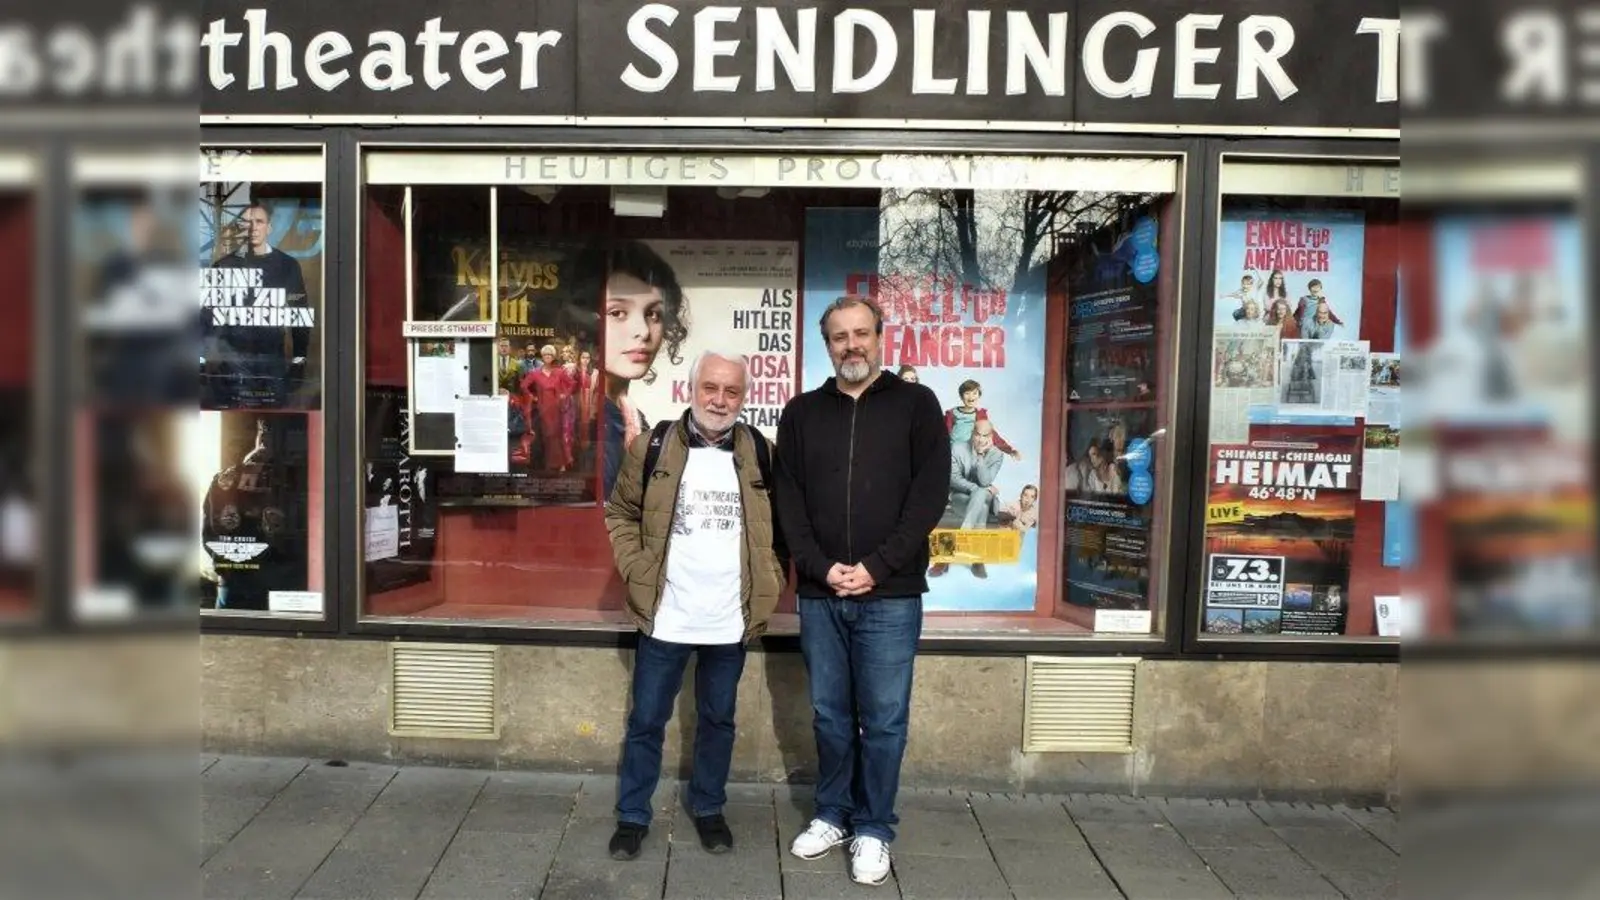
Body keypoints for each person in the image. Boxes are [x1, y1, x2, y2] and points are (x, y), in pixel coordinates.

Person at [774, 295, 951, 887]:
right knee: (828, 714)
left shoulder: (917, 405)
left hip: (890, 594)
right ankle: (832, 814)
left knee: (883, 720)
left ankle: (873, 826)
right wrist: (820, 567)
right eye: (839, 336)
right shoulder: (801, 413)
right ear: (827, 345)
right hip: (821, 594)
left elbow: (928, 497)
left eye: (861, 333)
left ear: (880, 336)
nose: (851, 345)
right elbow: (789, 501)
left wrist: (876, 566)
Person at [602, 350, 786, 862]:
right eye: (711, 387)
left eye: (732, 391)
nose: (720, 400)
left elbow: (781, 530)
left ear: (744, 398)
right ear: (692, 388)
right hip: (666, 616)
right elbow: (620, 512)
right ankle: (633, 816)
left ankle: (708, 808)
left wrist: (770, 579)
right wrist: (637, 568)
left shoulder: (761, 453)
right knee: (646, 720)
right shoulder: (652, 446)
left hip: (730, 619)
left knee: (718, 721)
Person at [583, 240, 691, 498]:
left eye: (653, 314)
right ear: (586, 323)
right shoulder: (582, 413)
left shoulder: (632, 417)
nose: (643, 331)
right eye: (618, 313)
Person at [201, 200, 311, 409]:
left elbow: (299, 314)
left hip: (272, 359)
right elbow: (207, 316)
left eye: (259, 221)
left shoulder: (287, 266)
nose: (253, 228)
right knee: (235, 420)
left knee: (274, 418)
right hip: (234, 361)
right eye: (247, 222)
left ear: (269, 227)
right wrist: (200, 359)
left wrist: (299, 359)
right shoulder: (224, 266)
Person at [930, 419, 1006, 580]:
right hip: (960, 495)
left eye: (985, 436)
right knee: (982, 507)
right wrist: (977, 489)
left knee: (982, 495)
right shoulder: (957, 448)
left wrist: (980, 457)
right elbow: (954, 479)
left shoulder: (997, 455)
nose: (981, 439)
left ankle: (947, 554)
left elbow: (985, 480)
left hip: (984, 496)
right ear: (972, 434)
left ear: (991, 436)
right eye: (978, 434)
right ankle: (977, 560)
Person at [524, 344, 575, 472]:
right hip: (543, 408)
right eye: (545, 354)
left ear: (553, 357)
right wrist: (533, 397)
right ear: (542, 356)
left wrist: (565, 395)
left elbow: (572, 383)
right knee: (547, 435)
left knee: (556, 435)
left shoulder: (559, 372)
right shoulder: (535, 373)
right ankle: (551, 464)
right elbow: (524, 386)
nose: (547, 356)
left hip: (557, 408)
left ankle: (561, 463)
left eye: (550, 354)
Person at [943, 380, 1021, 460]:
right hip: (954, 450)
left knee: (994, 454)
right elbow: (941, 431)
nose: (971, 396)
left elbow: (992, 434)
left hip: (972, 452)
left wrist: (1009, 450)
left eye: (974, 393)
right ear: (961, 396)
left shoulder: (980, 415)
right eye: (967, 393)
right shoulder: (952, 413)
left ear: (979, 396)